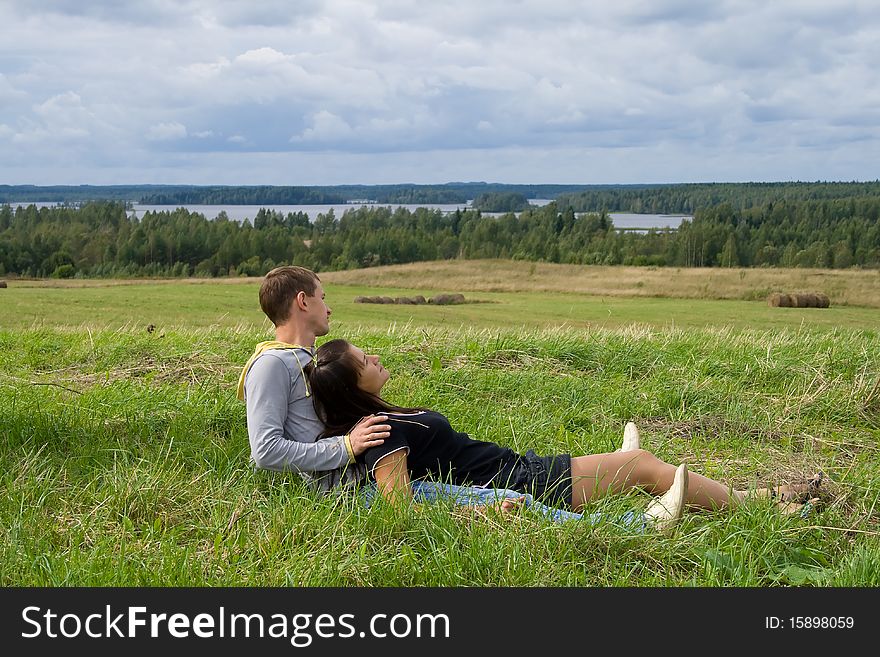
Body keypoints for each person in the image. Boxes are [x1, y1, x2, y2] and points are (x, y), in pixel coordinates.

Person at [306, 338, 825, 531]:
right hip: (517, 481)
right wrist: (475, 513)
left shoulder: (378, 417)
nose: (375, 358)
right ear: (355, 386)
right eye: (364, 362)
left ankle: (630, 474)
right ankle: (761, 504)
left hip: (513, 467)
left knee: (633, 465)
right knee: (644, 466)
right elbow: (399, 509)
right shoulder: (377, 432)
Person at [236, 265, 561, 515]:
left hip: (376, 473)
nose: (328, 307)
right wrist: (346, 447)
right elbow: (265, 451)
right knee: (514, 504)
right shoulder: (271, 365)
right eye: (323, 297)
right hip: (353, 489)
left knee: (507, 495)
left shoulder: (307, 359)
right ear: (303, 301)